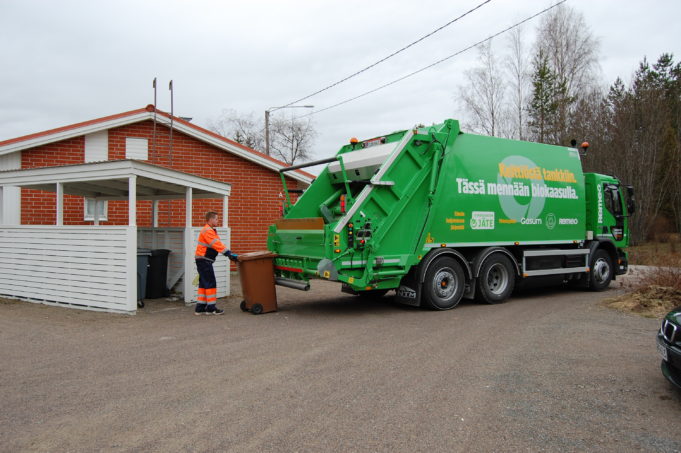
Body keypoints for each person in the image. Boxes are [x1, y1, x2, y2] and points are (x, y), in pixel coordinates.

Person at [195, 211, 237, 315]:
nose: (218, 221)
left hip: (202, 260)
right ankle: (211, 308)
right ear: (211, 220)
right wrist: (228, 253)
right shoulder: (208, 230)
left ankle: (200, 308)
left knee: (203, 284)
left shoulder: (209, 230)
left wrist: (228, 253)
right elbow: (216, 244)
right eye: (217, 219)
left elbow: (217, 245)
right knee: (210, 283)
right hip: (204, 261)